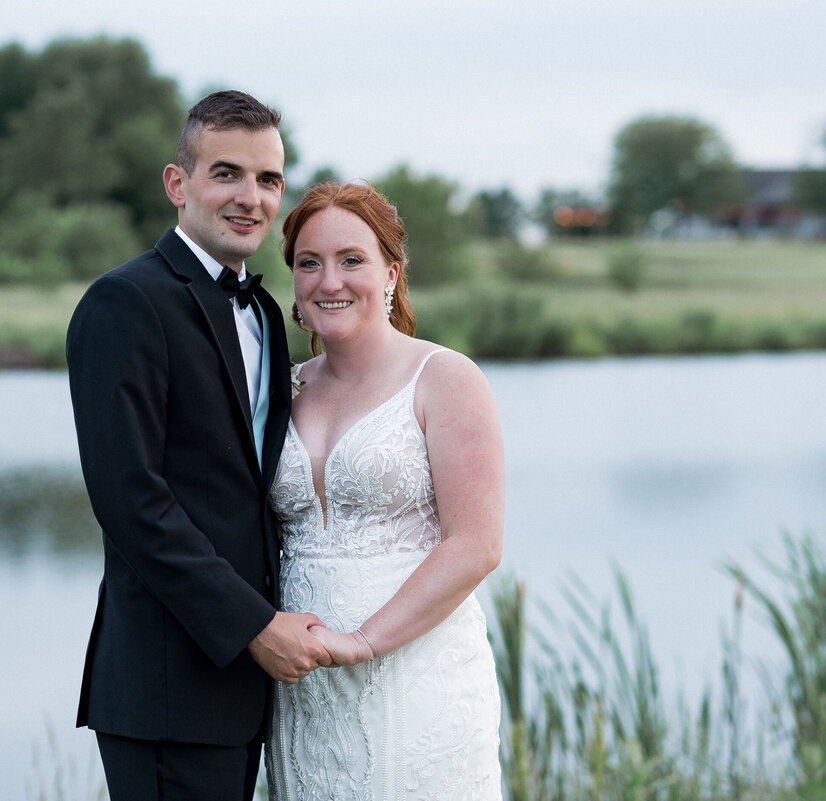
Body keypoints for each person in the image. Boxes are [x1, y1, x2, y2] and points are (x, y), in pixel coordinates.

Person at [66, 90, 333, 801]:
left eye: (269, 179)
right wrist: (254, 627)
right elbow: (131, 501)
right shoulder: (123, 303)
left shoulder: (269, 317)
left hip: (245, 693)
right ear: (177, 184)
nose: (251, 197)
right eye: (227, 173)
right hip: (166, 686)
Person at [265, 182, 505, 799]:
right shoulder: (280, 391)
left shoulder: (445, 377)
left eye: (352, 260)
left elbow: (474, 545)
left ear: (392, 272)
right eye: (308, 263)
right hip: (304, 692)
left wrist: (362, 642)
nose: (329, 281)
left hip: (413, 679)